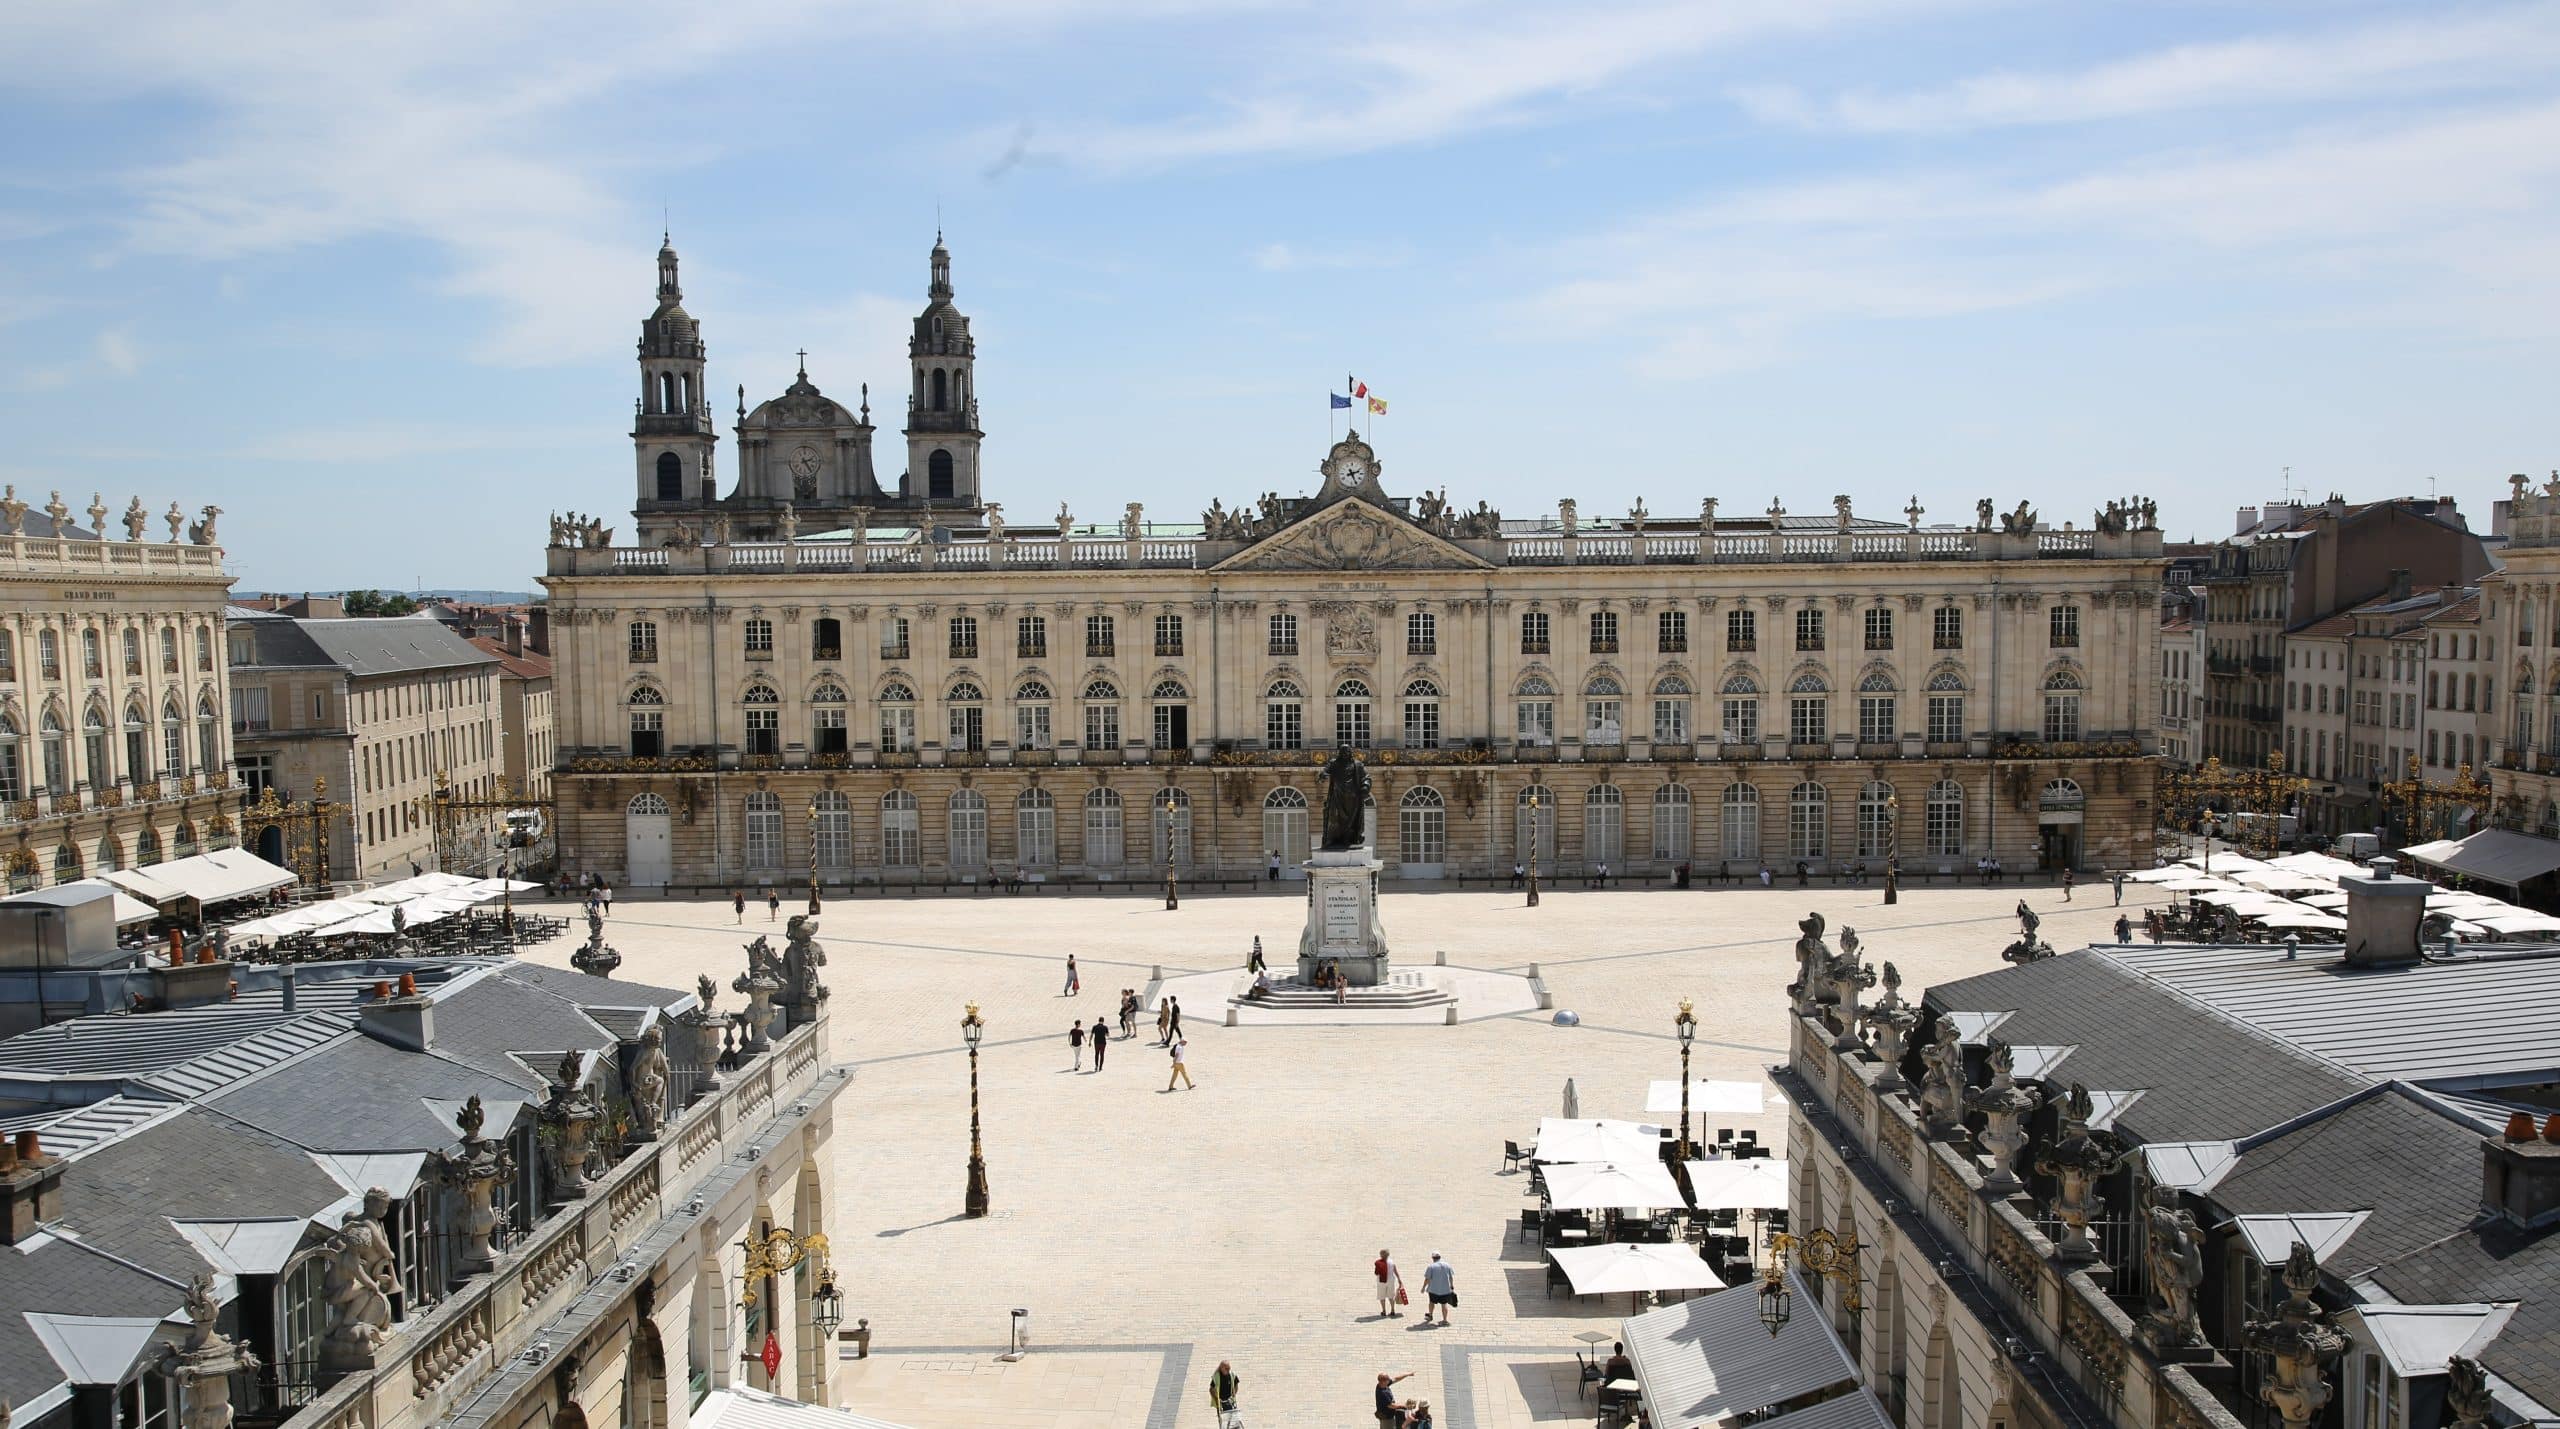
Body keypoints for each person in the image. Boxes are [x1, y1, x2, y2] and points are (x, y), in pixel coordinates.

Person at [1420, 1252, 1455, 1325]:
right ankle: (1445, 1320)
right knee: (1444, 1304)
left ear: (1433, 1258)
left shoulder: (1431, 1267)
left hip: (1433, 1289)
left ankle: (1430, 1315)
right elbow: (1451, 1277)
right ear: (1440, 1257)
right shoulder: (1447, 1265)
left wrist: (1423, 1287)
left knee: (1431, 1302)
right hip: (1445, 1289)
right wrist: (1451, 1286)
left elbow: (1427, 1279)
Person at [1208, 1361, 1241, 1426]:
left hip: (1230, 1401)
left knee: (1233, 1419)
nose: (1228, 1370)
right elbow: (1211, 1390)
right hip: (1220, 1402)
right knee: (1222, 1421)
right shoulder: (1216, 1377)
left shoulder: (1232, 1374)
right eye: (1226, 1369)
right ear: (1222, 1368)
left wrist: (1233, 1394)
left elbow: (1236, 1384)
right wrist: (1217, 1401)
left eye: (1229, 1368)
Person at [1374, 1248, 1404, 1318]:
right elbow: (1395, 1271)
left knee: (1382, 1296)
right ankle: (1393, 1310)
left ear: (1381, 1255)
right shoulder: (1391, 1262)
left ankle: (1384, 1311)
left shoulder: (1378, 1263)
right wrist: (1399, 1279)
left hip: (1381, 1282)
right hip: (1391, 1281)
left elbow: (1376, 1273)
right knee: (1391, 1296)